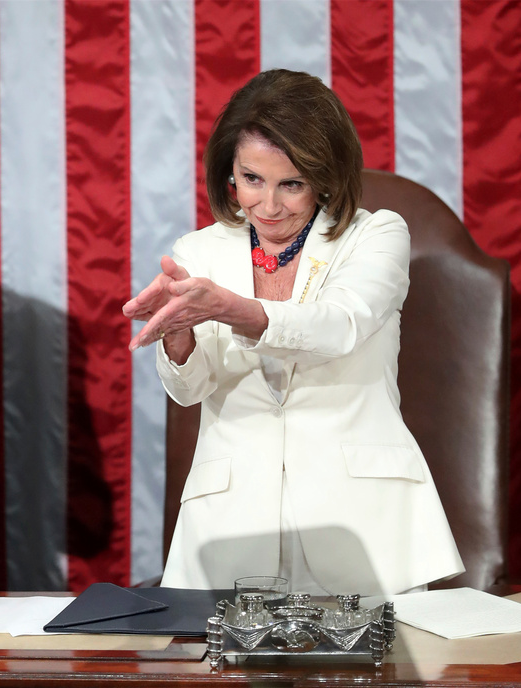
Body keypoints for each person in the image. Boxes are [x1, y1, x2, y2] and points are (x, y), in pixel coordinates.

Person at [123, 69, 463, 596]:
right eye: (252, 179)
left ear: (325, 178)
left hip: (363, 526)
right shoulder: (199, 252)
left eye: (292, 184)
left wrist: (235, 310)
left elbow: (340, 325)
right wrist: (178, 336)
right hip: (230, 528)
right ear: (228, 174)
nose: (269, 205)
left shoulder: (376, 234)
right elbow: (189, 391)